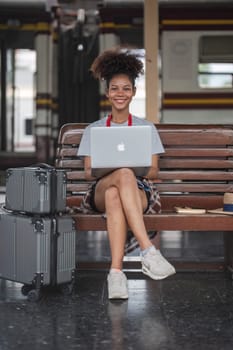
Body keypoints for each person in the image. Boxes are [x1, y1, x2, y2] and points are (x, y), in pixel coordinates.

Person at [77, 48, 175, 299]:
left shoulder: (146, 127)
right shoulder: (94, 129)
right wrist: (120, 168)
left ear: (133, 92)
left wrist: (126, 171)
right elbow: (89, 173)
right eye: (115, 88)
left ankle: (116, 274)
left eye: (126, 88)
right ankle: (148, 251)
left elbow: (154, 171)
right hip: (98, 189)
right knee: (119, 177)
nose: (120, 93)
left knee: (115, 194)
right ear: (108, 93)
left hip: (137, 191)